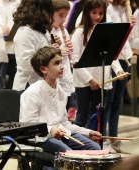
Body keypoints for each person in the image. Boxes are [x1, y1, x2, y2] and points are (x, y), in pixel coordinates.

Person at [20, 46, 102, 157]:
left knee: (95, 148)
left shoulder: (61, 92)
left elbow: (65, 124)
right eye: (56, 63)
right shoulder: (32, 93)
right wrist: (50, 129)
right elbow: (28, 126)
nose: (62, 67)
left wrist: (88, 132)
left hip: (62, 134)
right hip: (41, 138)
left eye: (61, 62)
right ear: (44, 69)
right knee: (70, 155)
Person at [71, 0, 124, 129]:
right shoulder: (79, 32)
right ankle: (78, 147)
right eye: (94, 13)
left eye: (101, 13)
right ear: (86, 12)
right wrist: (89, 79)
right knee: (82, 116)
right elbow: (75, 60)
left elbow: (111, 55)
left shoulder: (105, 31)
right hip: (84, 82)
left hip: (101, 80)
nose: (97, 17)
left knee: (96, 117)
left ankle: (93, 146)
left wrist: (118, 70)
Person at [104, 0, 139, 151]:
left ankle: (114, 136)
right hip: (113, 56)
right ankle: (104, 137)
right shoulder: (109, 7)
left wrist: (131, 25)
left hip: (125, 54)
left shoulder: (127, 8)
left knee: (117, 100)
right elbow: (109, 31)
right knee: (108, 100)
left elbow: (131, 38)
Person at [12, 0, 61, 91]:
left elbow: (44, 50)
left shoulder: (42, 29)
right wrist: (49, 52)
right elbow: (25, 64)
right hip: (27, 86)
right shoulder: (25, 32)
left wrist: (54, 47)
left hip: (42, 83)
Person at [51, 0, 76, 120]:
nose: (64, 19)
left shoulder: (63, 31)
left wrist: (70, 49)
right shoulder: (47, 31)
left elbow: (69, 52)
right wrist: (59, 52)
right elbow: (45, 55)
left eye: (66, 16)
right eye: (60, 15)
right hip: (54, 77)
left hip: (65, 72)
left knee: (64, 111)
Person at [0, 0, 21, 89]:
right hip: (0, 49)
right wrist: (1, 28)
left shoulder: (20, 3)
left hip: (16, 48)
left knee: (15, 81)